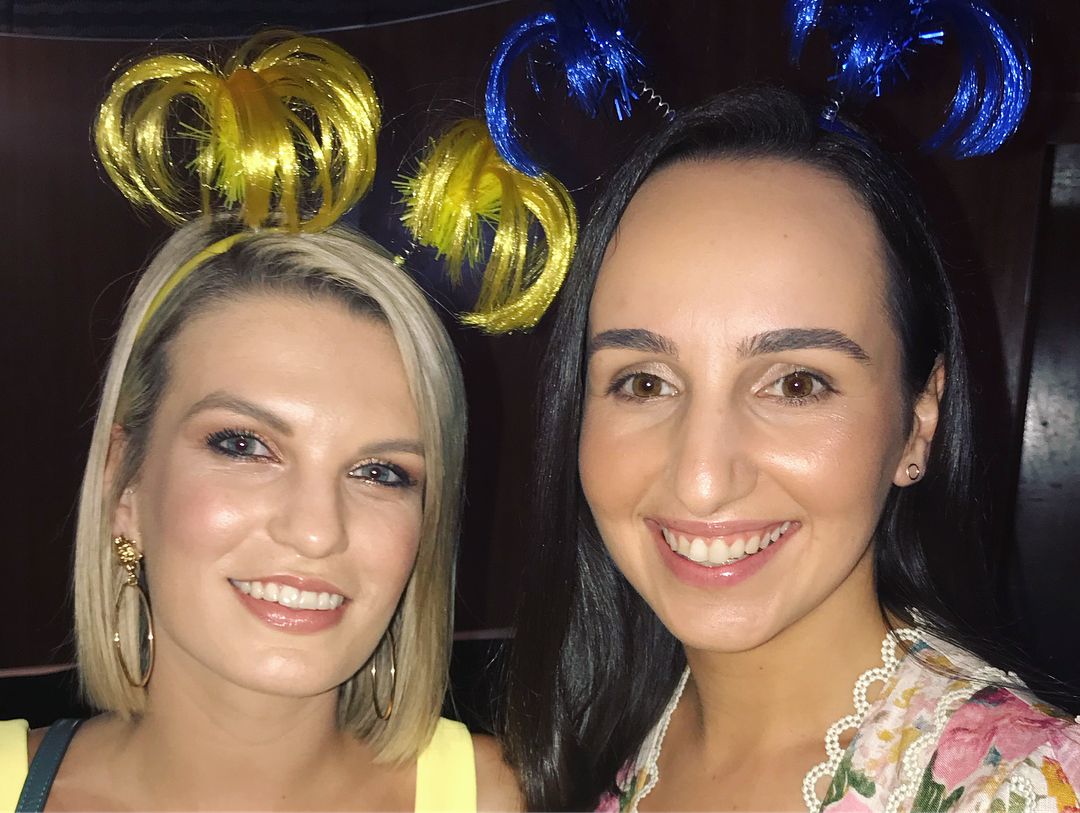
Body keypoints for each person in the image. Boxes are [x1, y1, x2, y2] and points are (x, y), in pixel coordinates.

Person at [501, 86, 1080, 812]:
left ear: (918, 422)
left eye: (796, 384)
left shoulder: (1024, 789)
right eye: (645, 383)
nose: (703, 478)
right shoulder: (578, 747)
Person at [0, 32, 519, 812]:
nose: (315, 530)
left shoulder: (505, 796)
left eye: (382, 472)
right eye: (244, 445)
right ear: (124, 485)